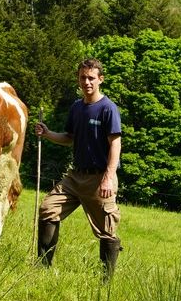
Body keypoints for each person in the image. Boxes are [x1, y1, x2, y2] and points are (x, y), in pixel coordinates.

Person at [34, 57, 123, 277]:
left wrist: (109, 177)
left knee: (107, 230)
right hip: (75, 177)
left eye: (91, 78)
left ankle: (106, 280)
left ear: (100, 79)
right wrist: (47, 134)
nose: (87, 82)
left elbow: (115, 144)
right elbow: (69, 137)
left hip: (99, 178)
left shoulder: (108, 108)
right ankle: (43, 268)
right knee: (47, 209)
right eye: (83, 77)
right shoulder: (77, 108)